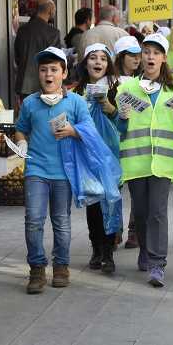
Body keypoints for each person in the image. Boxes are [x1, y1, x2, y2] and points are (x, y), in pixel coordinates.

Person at [14, 47, 93, 294]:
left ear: (64, 73)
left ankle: (61, 267)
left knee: (61, 221)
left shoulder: (77, 102)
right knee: (33, 220)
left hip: (64, 172)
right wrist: (21, 142)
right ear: (39, 74)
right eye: (44, 70)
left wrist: (73, 131)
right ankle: (36, 270)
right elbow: (21, 128)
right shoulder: (29, 103)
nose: (48, 75)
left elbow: (90, 133)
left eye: (54, 70)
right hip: (36, 169)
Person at [116, 33, 173, 287]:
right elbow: (121, 129)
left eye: (156, 53)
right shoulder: (127, 89)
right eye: (146, 52)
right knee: (141, 212)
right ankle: (145, 252)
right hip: (136, 162)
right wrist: (122, 118)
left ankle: (157, 264)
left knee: (157, 212)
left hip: (163, 162)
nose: (150, 57)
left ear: (164, 58)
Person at [73, 43, 119, 274]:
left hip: (110, 155)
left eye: (103, 58)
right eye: (93, 57)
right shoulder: (76, 91)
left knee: (110, 201)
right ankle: (96, 248)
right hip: (86, 155)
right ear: (85, 63)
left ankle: (109, 252)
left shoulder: (118, 87)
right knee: (93, 203)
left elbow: (124, 119)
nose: (98, 62)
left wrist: (109, 106)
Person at [113, 35, 143, 249]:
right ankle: (114, 230)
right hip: (113, 143)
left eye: (138, 55)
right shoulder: (109, 82)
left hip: (135, 143)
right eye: (132, 55)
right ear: (121, 57)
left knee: (137, 192)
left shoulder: (144, 81)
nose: (137, 59)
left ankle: (135, 232)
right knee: (115, 190)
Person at [14, 0, 61, 101]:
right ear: (50, 11)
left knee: (27, 115)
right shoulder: (53, 33)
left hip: (24, 85)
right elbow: (56, 60)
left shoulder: (22, 30)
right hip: (46, 83)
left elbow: (17, 57)